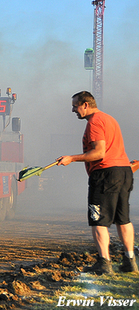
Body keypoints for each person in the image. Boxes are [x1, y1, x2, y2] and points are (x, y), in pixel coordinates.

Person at [56, 91, 137, 274]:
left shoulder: (94, 122)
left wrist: (71, 158)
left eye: (75, 106)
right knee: (123, 219)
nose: (73, 110)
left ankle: (104, 262)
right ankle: (130, 261)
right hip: (123, 172)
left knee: (98, 220)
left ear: (85, 105)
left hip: (104, 174)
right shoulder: (110, 119)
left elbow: (99, 153)